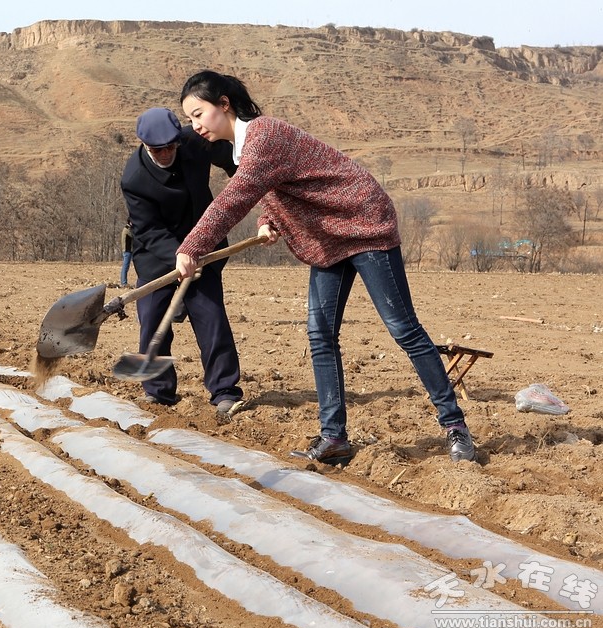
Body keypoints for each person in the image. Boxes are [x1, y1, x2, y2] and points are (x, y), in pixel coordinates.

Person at [174, 71, 475, 463]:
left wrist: (192, 246)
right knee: (320, 335)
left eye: (199, 114)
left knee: (403, 328)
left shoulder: (262, 135)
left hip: (363, 222)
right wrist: (270, 219)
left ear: (224, 104)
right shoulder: (244, 148)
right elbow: (277, 184)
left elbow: (233, 199)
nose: (195, 126)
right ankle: (334, 438)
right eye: (191, 119)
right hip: (328, 236)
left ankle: (455, 427)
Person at [121, 106, 244, 415]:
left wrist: (244, 176)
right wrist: (178, 254)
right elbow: (148, 229)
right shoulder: (134, 178)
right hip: (157, 255)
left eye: (170, 146)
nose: (165, 153)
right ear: (145, 145)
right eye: (157, 149)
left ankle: (224, 390)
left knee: (211, 317)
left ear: (178, 139)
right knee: (152, 321)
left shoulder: (195, 142)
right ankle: (158, 391)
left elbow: (231, 157)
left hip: (204, 245)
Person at [119, 220, 133, 287]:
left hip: (130, 250)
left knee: (126, 267)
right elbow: (133, 236)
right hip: (127, 250)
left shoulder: (129, 229)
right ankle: (123, 283)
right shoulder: (127, 229)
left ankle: (124, 282)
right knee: (125, 267)